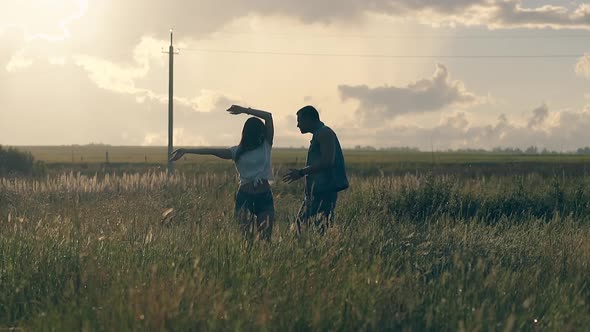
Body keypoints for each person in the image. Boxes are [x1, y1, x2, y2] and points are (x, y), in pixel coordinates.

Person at [169, 105, 275, 240]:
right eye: (260, 131)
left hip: (264, 197)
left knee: (265, 239)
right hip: (244, 198)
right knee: (247, 240)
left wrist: (244, 110)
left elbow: (268, 116)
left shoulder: (266, 145)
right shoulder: (237, 151)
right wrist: (186, 150)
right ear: (252, 133)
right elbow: (211, 151)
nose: (263, 134)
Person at [282, 105, 349, 235]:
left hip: (323, 192)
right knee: (306, 229)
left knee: (307, 230)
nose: (297, 125)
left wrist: (301, 172)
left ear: (308, 119)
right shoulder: (320, 134)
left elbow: (327, 161)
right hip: (317, 192)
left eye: (299, 121)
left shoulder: (324, 133)